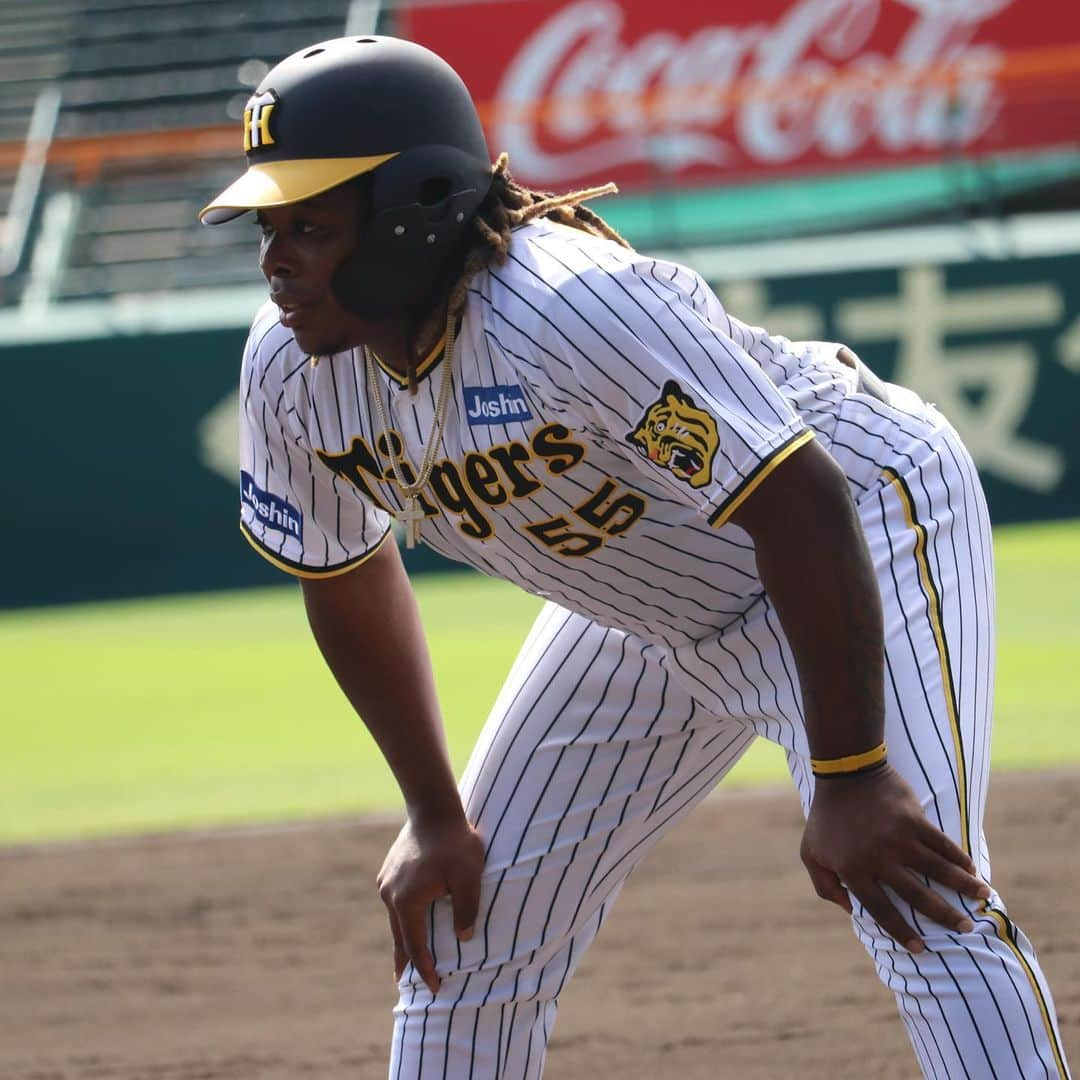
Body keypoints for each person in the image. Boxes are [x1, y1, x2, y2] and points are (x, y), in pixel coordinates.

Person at [201, 35, 1070, 1080]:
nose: (275, 260)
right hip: (646, 598)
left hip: (859, 526)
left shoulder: (568, 310)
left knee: (918, 898)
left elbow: (795, 499)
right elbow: (342, 574)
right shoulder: (292, 368)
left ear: (411, 207)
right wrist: (435, 812)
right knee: (462, 930)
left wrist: (850, 775)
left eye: (310, 224)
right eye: (266, 227)